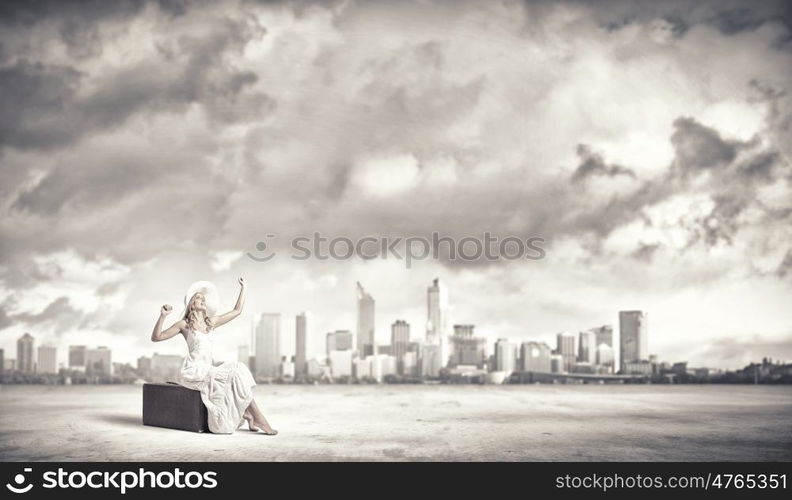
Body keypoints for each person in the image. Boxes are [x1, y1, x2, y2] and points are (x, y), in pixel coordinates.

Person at [151, 277, 277, 435]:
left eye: (203, 298)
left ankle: (251, 415)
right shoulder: (183, 325)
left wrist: (244, 288)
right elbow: (156, 338)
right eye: (198, 298)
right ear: (191, 304)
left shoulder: (211, 322)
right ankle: (255, 416)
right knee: (232, 375)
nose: (202, 300)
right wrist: (163, 316)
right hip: (193, 371)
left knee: (238, 370)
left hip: (209, 369)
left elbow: (237, 311)